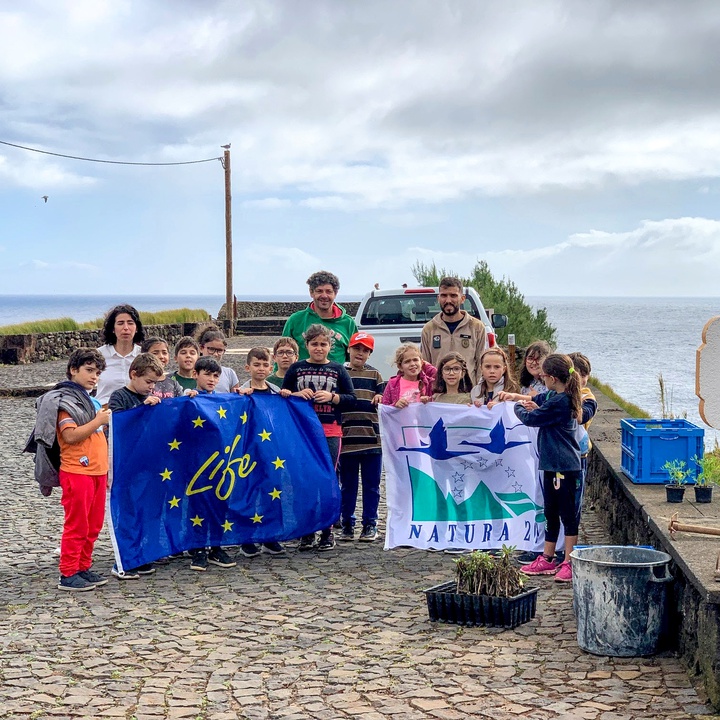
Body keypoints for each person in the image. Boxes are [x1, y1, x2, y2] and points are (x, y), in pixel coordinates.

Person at [34, 349, 112, 591]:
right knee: (77, 524)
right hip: (77, 470)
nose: (94, 377)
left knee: (94, 524)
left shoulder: (92, 400)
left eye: (97, 373)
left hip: (97, 470)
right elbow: (69, 436)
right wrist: (98, 421)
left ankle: (83, 567)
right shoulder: (64, 401)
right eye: (89, 371)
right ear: (73, 370)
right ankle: (68, 573)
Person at [281, 324, 356, 551]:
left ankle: (327, 530)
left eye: (323, 344)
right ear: (307, 346)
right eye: (314, 344)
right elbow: (283, 397)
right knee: (305, 480)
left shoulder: (338, 370)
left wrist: (333, 397)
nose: (319, 348)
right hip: (302, 432)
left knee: (328, 478)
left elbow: (351, 398)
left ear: (330, 347)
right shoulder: (296, 369)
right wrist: (295, 394)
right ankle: (307, 530)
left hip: (330, 430)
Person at [508, 354, 583, 584]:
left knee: (568, 515)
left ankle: (569, 561)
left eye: (543, 376)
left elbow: (532, 419)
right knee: (551, 512)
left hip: (564, 467)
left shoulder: (562, 401)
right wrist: (531, 401)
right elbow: (541, 400)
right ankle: (548, 557)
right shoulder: (555, 395)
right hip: (552, 465)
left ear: (551, 377)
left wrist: (518, 408)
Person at [107, 353, 164, 579]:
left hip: (146, 467)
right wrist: (141, 410)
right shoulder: (119, 396)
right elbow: (119, 425)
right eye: (148, 382)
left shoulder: (151, 398)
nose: (151, 387)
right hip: (125, 465)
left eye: (154, 384)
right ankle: (124, 559)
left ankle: (140, 554)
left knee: (145, 511)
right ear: (133, 374)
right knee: (128, 512)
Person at [187, 356, 238, 572]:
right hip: (196, 463)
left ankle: (217, 546)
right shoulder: (188, 398)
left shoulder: (222, 400)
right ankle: (198, 548)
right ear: (195, 375)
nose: (212, 379)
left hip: (220, 463)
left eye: (216, 375)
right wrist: (187, 399)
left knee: (220, 502)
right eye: (207, 374)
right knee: (197, 504)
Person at [236, 347, 286, 557]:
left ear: (271, 366)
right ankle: (246, 537)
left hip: (271, 451)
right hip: (248, 451)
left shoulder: (276, 392)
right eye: (257, 364)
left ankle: (270, 535)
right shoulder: (240, 393)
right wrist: (238, 396)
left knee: (272, 490)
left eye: (265, 365)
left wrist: (287, 397)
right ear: (248, 367)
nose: (261, 369)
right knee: (247, 491)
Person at [339, 332, 384, 542]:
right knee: (348, 485)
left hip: (371, 439)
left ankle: (370, 524)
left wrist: (381, 396)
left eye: (365, 350)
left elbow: (386, 397)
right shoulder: (339, 372)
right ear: (349, 349)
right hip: (347, 439)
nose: (360, 353)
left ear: (370, 353)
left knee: (372, 485)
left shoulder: (375, 375)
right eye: (357, 348)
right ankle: (347, 523)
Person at [420, 277, 487, 385]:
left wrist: (478, 393)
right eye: (444, 295)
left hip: (467, 395)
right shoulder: (429, 329)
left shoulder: (477, 327)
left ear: (462, 298)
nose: (448, 300)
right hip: (438, 396)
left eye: (453, 295)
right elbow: (424, 366)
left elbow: (481, 364)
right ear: (438, 298)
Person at [282, 271, 358, 365]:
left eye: (329, 291)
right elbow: (282, 354)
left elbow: (353, 359)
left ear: (335, 293)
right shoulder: (295, 320)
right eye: (319, 291)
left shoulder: (348, 323)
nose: (324, 296)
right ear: (311, 292)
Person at [95, 304, 144, 405]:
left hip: (138, 412)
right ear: (112, 328)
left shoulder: (144, 355)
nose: (126, 328)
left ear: (137, 328)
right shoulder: (98, 355)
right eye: (120, 323)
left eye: (130, 323)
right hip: (105, 413)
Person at [381, 343, 436, 407]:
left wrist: (429, 400)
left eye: (415, 360)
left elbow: (437, 405)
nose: (412, 364)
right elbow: (384, 408)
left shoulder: (429, 383)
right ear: (400, 367)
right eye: (407, 361)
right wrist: (395, 405)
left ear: (421, 363)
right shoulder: (393, 383)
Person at [196, 325, 240, 393]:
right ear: (201, 348)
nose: (215, 354)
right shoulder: (194, 372)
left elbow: (235, 399)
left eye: (219, 351)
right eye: (211, 349)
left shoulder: (229, 374)